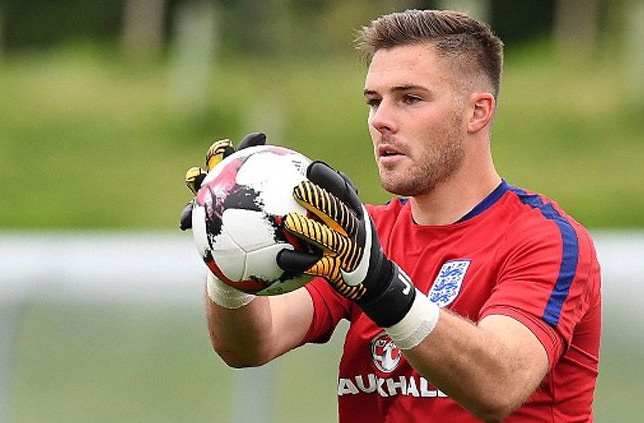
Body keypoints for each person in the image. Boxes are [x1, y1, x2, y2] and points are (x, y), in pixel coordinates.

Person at [183, 9, 601, 423]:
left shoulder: (545, 240)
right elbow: (251, 345)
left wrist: (381, 286)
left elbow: (499, 386)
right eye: (373, 101)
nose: (381, 119)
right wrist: (228, 248)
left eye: (410, 98)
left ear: (478, 112)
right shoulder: (361, 235)